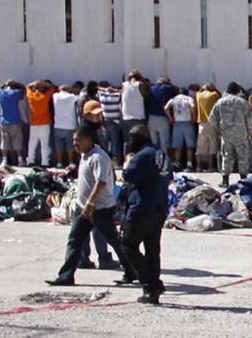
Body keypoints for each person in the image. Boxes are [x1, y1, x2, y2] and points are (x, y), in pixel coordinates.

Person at [45, 126, 127, 286]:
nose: (74, 143)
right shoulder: (84, 155)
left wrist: (90, 202)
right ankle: (66, 276)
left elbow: (101, 182)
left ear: (89, 140)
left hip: (99, 208)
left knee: (114, 240)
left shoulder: (98, 157)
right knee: (74, 240)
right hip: (83, 208)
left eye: (78, 140)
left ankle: (132, 270)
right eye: (74, 140)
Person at [118, 123, 172, 305]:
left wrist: (127, 162)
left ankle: (152, 283)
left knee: (128, 245)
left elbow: (128, 176)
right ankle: (151, 292)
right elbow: (168, 176)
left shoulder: (141, 156)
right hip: (159, 206)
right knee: (152, 250)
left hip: (142, 207)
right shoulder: (161, 154)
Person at [212, 83, 252, 188]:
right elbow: (249, 119)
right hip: (241, 133)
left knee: (227, 156)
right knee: (243, 156)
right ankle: (243, 180)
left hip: (226, 134)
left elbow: (212, 118)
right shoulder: (243, 102)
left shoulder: (220, 102)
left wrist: (219, 129)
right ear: (237, 91)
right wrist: (250, 131)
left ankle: (225, 181)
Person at [165, 87, 197, 171]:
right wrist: (194, 116)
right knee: (189, 145)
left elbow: (166, 108)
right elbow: (193, 106)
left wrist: (170, 118)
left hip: (177, 123)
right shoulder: (189, 98)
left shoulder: (174, 99)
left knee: (177, 145)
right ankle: (189, 164)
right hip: (187, 122)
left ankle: (177, 164)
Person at [26, 81, 56, 166]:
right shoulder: (45, 96)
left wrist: (35, 83)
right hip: (45, 123)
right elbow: (53, 88)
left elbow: (28, 86)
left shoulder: (31, 96)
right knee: (44, 144)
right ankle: (45, 162)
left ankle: (30, 160)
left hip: (34, 124)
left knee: (32, 143)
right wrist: (43, 83)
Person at [0, 81, 28, 166]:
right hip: (15, 121)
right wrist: (15, 83)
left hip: (4, 121)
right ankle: (20, 160)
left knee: (4, 141)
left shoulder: (1, 93)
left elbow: (0, 87)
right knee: (17, 141)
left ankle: (4, 161)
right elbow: (24, 89)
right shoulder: (15, 93)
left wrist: (6, 83)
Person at [147, 77, 178, 155]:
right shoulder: (168, 88)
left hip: (151, 117)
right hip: (163, 117)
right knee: (164, 141)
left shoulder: (151, 88)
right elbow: (176, 89)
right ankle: (164, 160)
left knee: (153, 141)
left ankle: (154, 158)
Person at [195, 83, 221, 173]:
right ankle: (210, 167)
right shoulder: (214, 95)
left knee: (200, 146)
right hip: (211, 123)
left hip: (201, 123)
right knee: (212, 145)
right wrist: (214, 88)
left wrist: (203, 88)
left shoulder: (198, 95)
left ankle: (198, 166)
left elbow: (198, 91)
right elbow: (220, 95)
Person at [52, 84, 81, 168]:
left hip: (57, 125)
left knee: (58, 145)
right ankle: (71, 162)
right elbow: (78, 97)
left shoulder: (55, 96)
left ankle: (59, 162)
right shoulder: (72, 97)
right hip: (69, 125)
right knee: (69, 145)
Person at [97, 82, 124, 168]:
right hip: (115, 122)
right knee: (115, 143)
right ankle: (117, 162)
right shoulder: (117, 95)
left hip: (105, 122)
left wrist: (105, 89)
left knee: (105, 143)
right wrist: (115, 89)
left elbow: (97, 88)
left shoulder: (102, 95)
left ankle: (105, 162)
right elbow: (123, 91)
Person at [120, 71, 148, 143]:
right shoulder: (140, 85)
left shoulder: (123, 85)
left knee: (127, 142)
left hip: (126, 119)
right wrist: (142, 77)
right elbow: (147, 88)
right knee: (140, 142)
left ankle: (127, 154)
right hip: (138, 119)